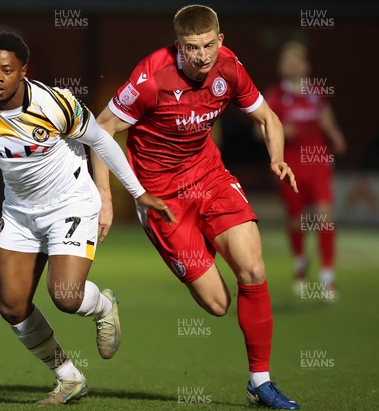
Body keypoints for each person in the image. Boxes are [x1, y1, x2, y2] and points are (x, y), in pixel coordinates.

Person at [93, 5, 300, 409]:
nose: (202, 56)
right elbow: (102, 129)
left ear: (220, 40)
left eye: (208, 45)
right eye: (192, 48)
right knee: (218, 304)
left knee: (254, 269)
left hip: (209, 177)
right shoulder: (150, 77)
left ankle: (260, 382)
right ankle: (191, 252)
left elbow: (268, 118)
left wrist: (277, 156)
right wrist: (105, 196)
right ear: (178, 46)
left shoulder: (230, 68)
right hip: (161, 197)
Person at [0, 32, 175, 405]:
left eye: (6, 70)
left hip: (70, 203)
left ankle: (104, 306)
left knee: (66, 296)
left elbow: (102, 141)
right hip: (20, 213)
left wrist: (137, 193)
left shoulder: (56, 103)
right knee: (11, 305)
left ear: (23, 71)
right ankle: (68, 377)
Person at [263, 41, 346, 296]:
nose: (292, 65)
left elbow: (325, 115)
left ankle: (327, 275)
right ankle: (300, 260)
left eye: (296, 60)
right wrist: (279, 132)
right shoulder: (275, 95)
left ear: (305, 65)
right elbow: (261, 129)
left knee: (324, 216)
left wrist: (335, 134)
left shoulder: (316, 91)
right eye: (287, 61)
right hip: (291, 164)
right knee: (296, 221)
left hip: (318, 162)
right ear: (281, 67)